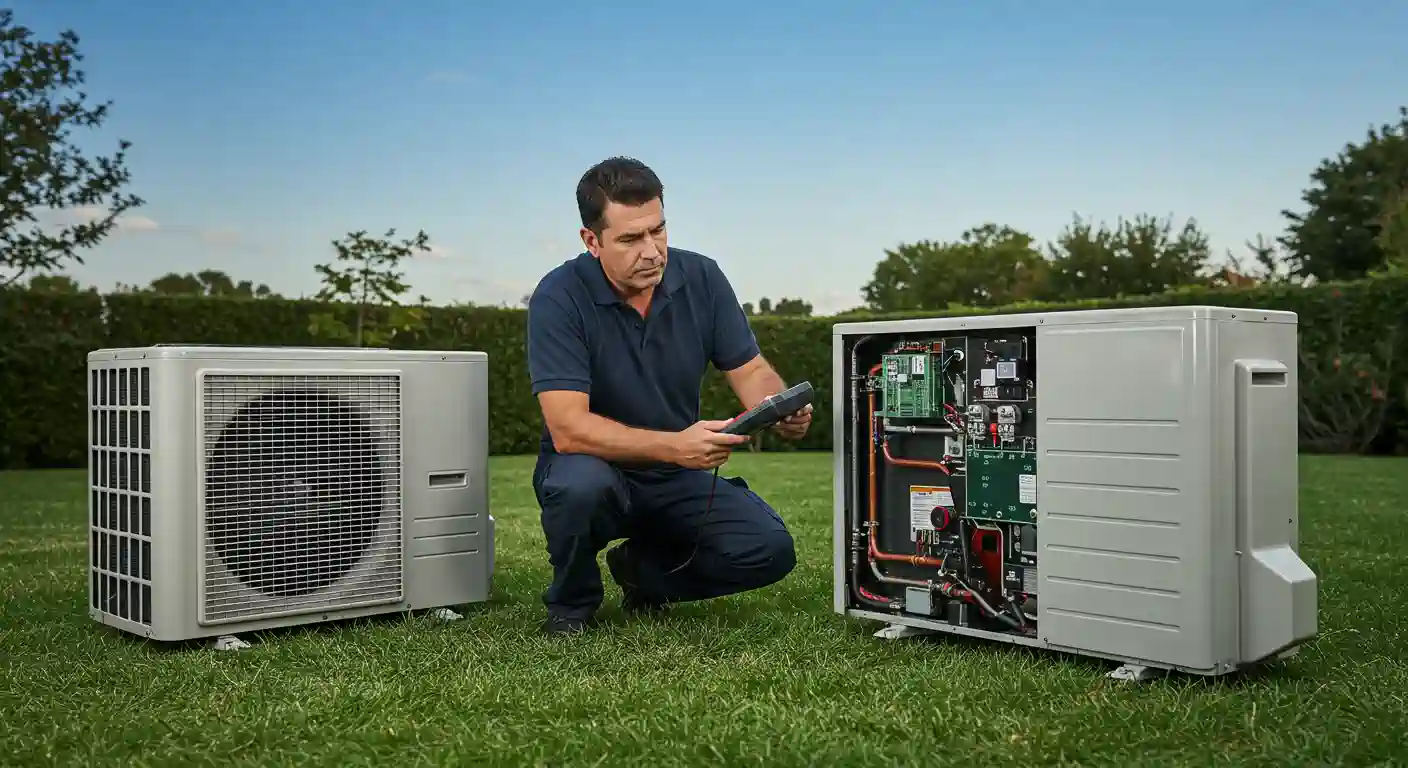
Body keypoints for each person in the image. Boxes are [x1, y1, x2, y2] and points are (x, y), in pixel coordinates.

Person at [524, 156, 810, 635]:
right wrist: (675, 445)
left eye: (658, 230)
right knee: (580, 488)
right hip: (592, 465)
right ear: (591, 241)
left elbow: (752, 369)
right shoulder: (558, 297)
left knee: (769, 550)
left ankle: (641, 573)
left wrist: (778, 407)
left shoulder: (702, 278)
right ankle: (572, 602)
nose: (653, 250)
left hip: (676, 473)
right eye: (632, 239)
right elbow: (569, 428)